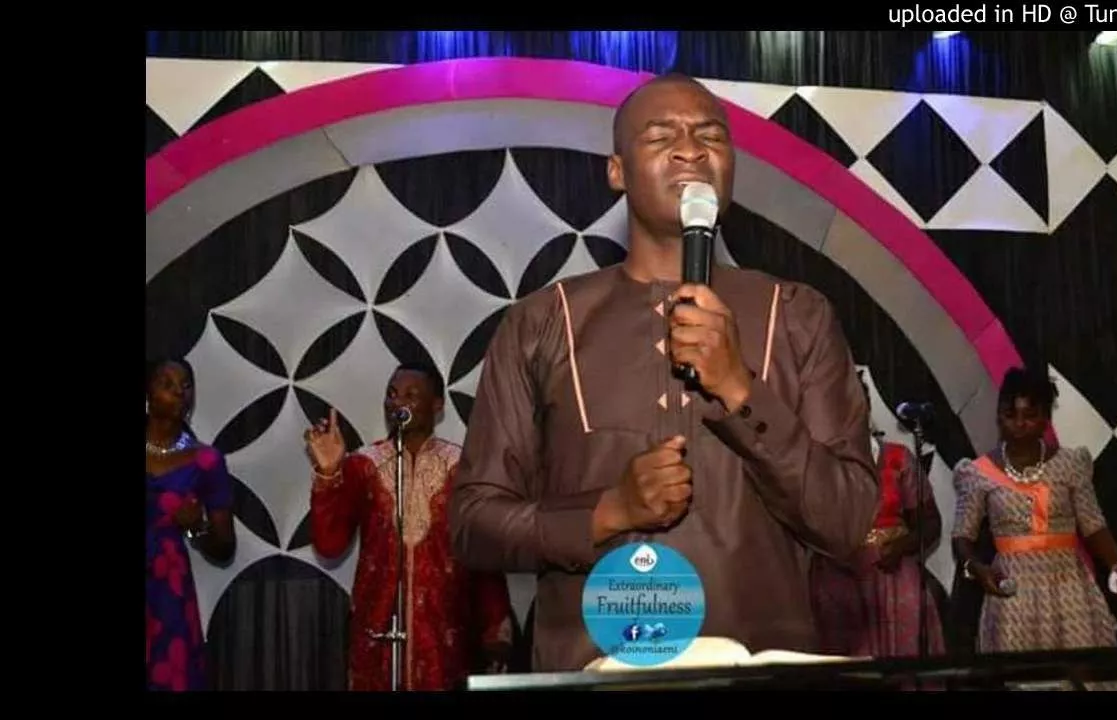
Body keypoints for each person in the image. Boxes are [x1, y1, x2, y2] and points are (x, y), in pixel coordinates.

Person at [447, 73, 880, 672]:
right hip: (592, 673)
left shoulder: (798, 315)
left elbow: (848, 520)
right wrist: (608, 512)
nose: (691, 150)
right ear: (617, 171)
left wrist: (739, 389)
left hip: (760, 671)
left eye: (711, 136)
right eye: (661, 136)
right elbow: (473, 525)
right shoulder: (543, 322)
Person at [305, 362, 514, 691]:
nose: (397, 402)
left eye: (410, 395)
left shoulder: (462, 468)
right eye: (391, 394)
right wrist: (329, 473)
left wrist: (495, 631)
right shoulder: (364, 465)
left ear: (437, 405)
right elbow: (329, 545)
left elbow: (484, 557)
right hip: (377, 634)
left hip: (445, 636)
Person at [951, 368, 1117, 667]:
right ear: (999, 416)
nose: (1019, 423)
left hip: (1069, 588)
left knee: (1080, 674)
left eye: (1030, 415)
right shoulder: (977, 472)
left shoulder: (1070, 464)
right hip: (1012, 593)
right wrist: (976, 568)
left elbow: (1093, 525)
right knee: (1022, 676)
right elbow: (962, 536)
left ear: (1046, 418)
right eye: (1010, 415)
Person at [809, 374, 946, 672]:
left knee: (905, 667)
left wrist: (901, 546)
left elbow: (930, 523)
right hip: (838, 581)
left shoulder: (898, 458)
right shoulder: (814, 462)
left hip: (893, 574)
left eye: (856, 402)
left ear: (868, 406)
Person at [146, 358, 237, 691]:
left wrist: (196, 526)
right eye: (167, 384)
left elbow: (225, 548)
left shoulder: (206, 461)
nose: (179, 392)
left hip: (167, 592)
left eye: (186, 385)